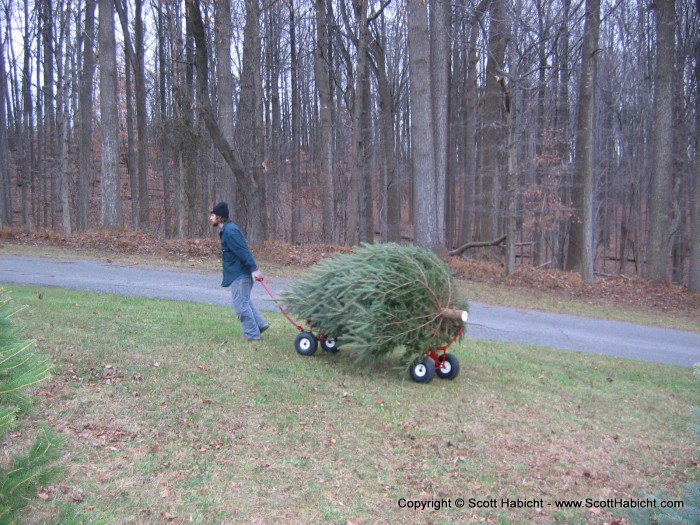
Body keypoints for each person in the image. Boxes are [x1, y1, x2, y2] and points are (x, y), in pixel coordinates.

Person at [209, 202, 269, 340]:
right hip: (238, 273)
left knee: (240, 306)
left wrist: (254, 269)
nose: (210, 218)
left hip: (241, 275)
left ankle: (252, 335)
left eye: (212, 215)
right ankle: (259, 325)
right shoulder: (227, 230)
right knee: (245, 301)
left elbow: (243, 251)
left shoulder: (230, 232)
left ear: (219, 217)